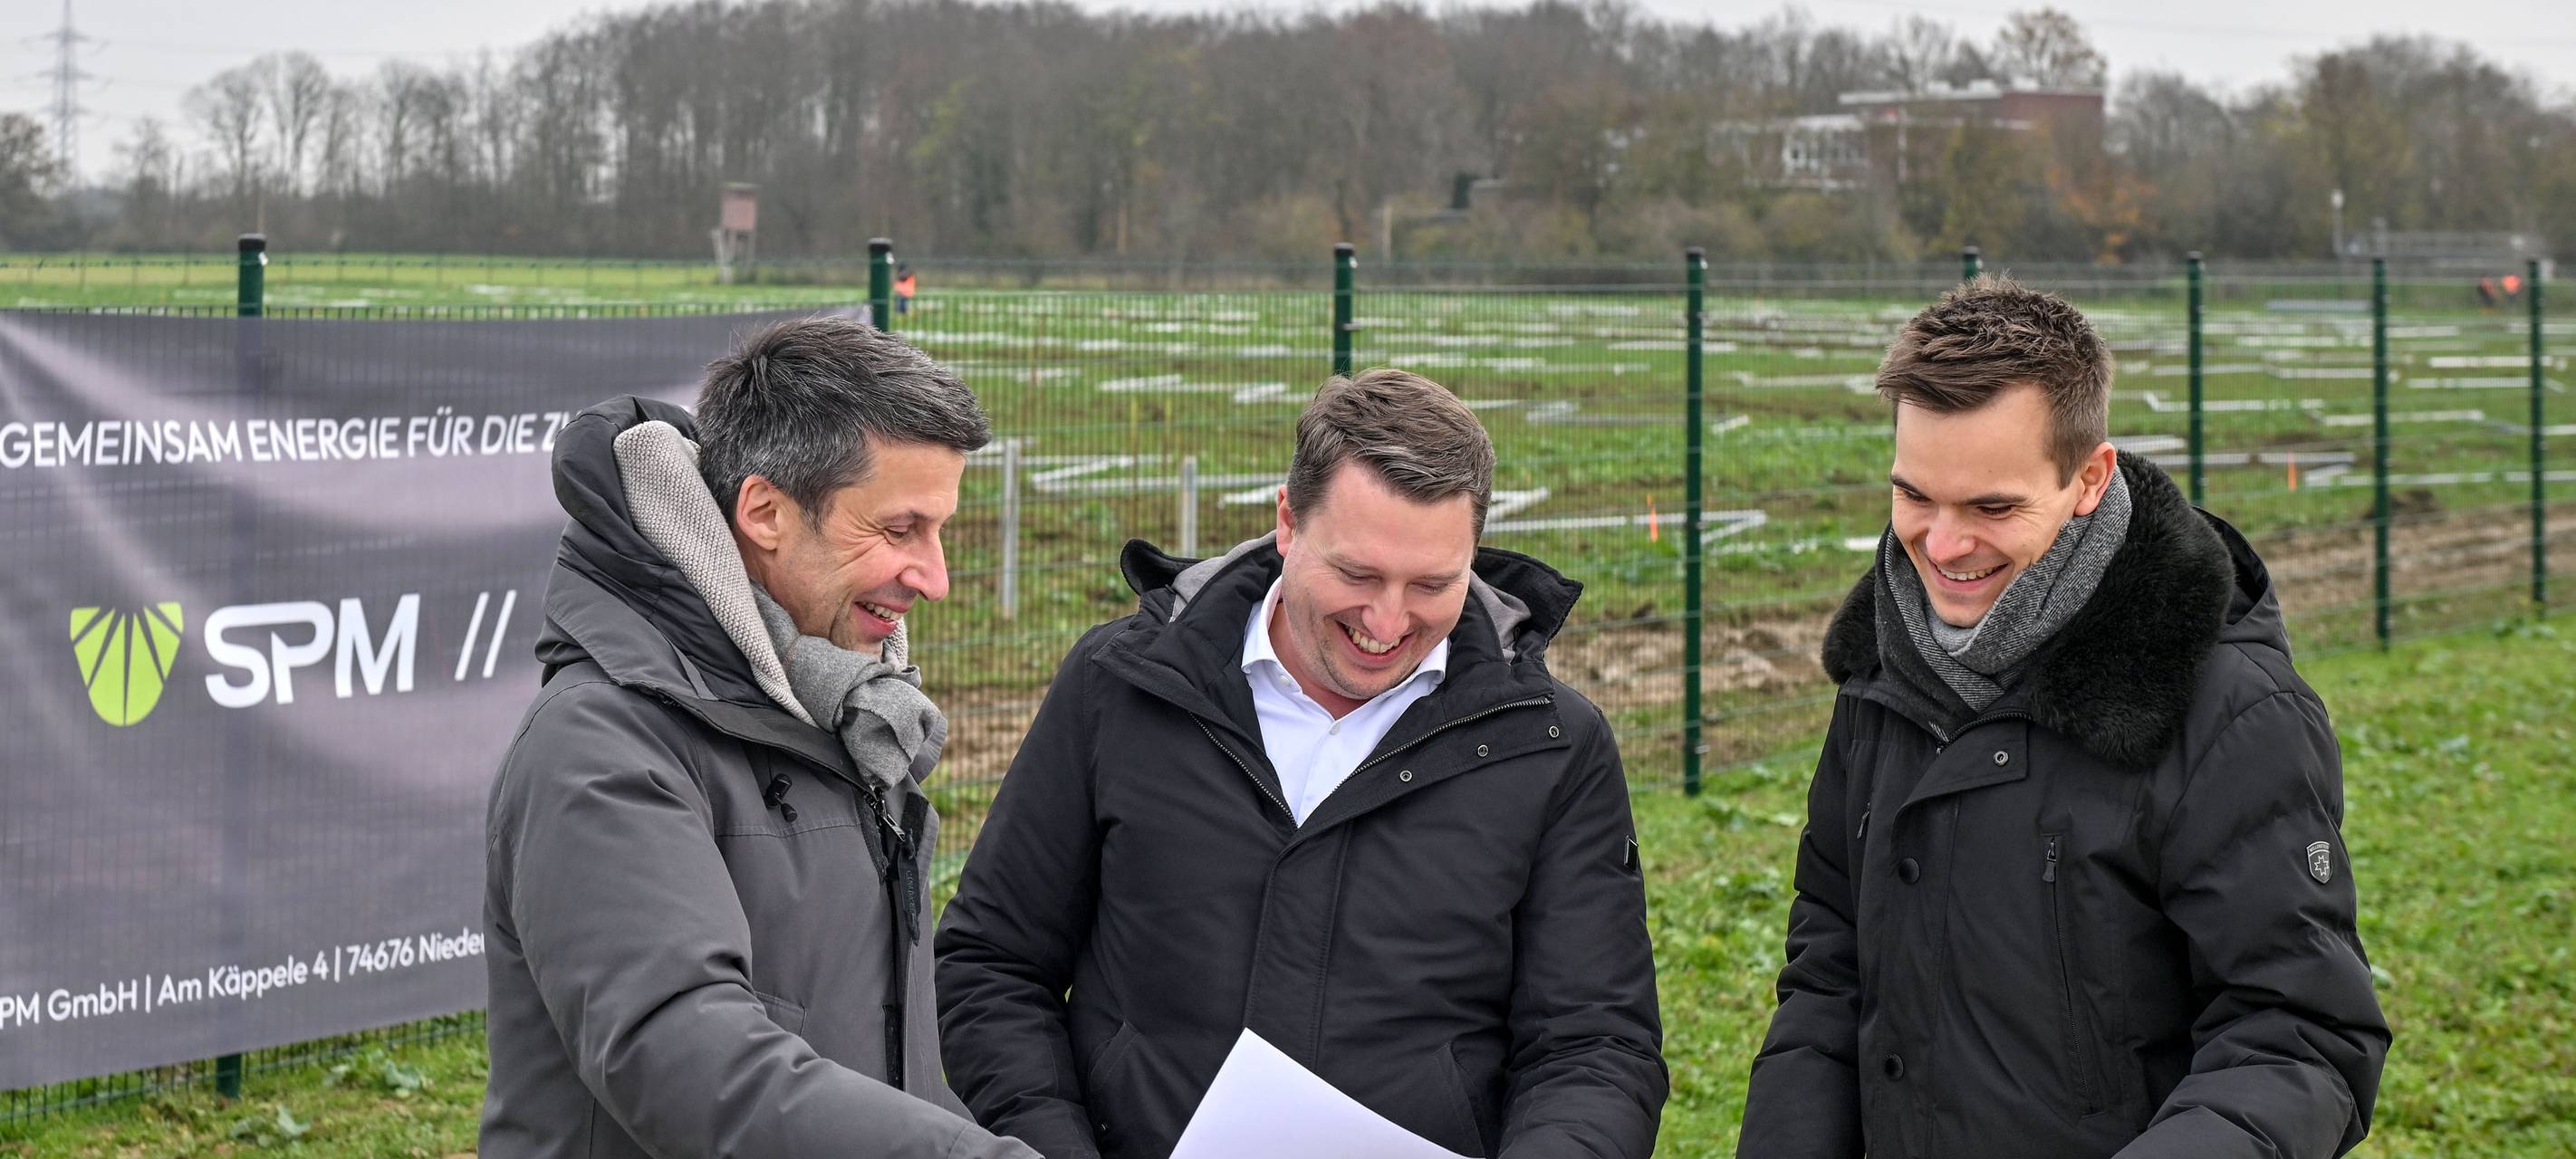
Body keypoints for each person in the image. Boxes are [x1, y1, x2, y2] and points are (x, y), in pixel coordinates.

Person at [936, 369, 1667, 1159]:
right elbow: (994, 965)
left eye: (1432, 584)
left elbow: (1595, 1048)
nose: (1387, 621)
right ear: (1288, 522)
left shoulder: (1549, 745)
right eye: (1356, 575)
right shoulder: (1121, 688)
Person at [1736, 275, 2390, 1158]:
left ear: (2090, 477)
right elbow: (1829, 977)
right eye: (1914, 495)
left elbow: (2300, 1037)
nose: (1942, 543)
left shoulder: (2231, 712)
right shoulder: (1879, 676)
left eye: (1992, 506)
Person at [481, 315, 1039, 1159]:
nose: (935, 577)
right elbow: (682, 1056)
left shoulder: (846, 705)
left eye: (940, 530)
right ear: (766, 512)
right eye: (899, 530)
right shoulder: (601, 745)